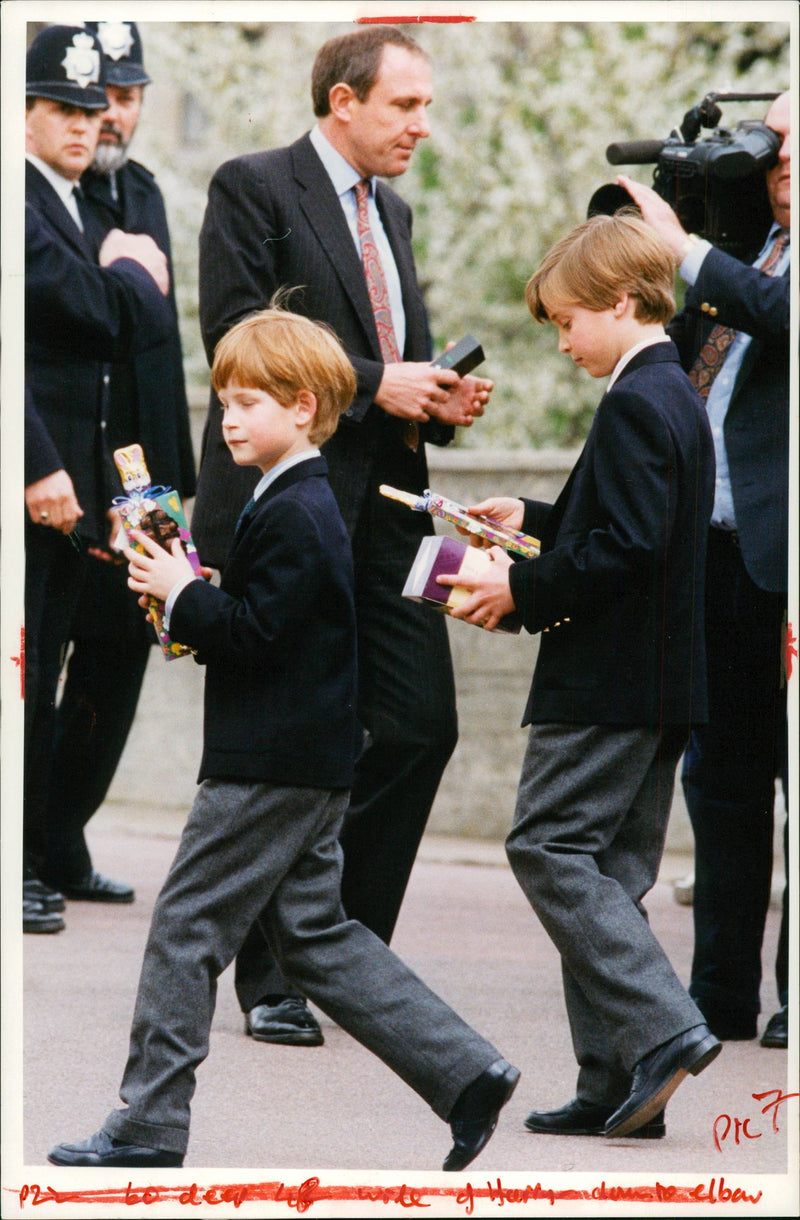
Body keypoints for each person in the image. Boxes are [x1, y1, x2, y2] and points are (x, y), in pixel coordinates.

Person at [47, 306, 519, 1171]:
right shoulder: (296, 499)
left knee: (186, 926)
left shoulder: (298, 507)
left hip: (266, 765)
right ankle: (466, 1072)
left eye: (250, 403)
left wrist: (185, 595)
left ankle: (150, 1121)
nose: (229, 418)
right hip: (307, 761)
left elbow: (258, 635)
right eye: (223, 401)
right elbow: (273, 620)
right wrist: (189, 586)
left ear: (305, 408)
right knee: (318, 938)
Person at [192, 25, 493, 1047]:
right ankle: (271, 973)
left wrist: (433, 397)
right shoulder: (252, 185)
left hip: (395, 508)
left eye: (424, 106)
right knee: (293, 744)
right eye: (403, 105)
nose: (420, 124)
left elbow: (386, 354)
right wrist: (376, 382)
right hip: (290, 508)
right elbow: (236, 335)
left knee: (420, 726)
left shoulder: (393, 211)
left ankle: (338, 951)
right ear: (342, 104)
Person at [438, 213, 720, 1139]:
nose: (562, 342)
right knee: (609, 873)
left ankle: (666, 1028)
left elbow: (627, 549)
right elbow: (631, 527)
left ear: (623, 303)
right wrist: (537, 516)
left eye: (567, 322)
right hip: (661, 681)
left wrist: (515, 587)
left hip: (605, 682)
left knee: (549, 849)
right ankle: (614, 1081)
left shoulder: (637, 400)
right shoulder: (673, 391)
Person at [618, 88, 791, 1051]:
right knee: (719, 785)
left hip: (789, 570)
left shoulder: (756, 271)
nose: (783, 162)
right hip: (719, 556)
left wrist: (690, 253)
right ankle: (719, 998)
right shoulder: (753, 251)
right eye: (772, 148)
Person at [40, 21, 196, 906]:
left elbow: (154, 338)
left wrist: (171, 482)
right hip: (65, 462)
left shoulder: (141, 191)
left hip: (140, 471)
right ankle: (27, 845)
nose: (113, 116)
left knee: (125, 649)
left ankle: (62, 837)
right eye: (100, 98)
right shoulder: (44, 197)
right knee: (47, 652)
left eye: (129, 99)